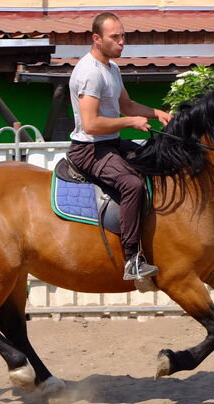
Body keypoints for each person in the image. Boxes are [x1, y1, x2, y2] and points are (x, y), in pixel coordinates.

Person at [67, 12, 173, 281]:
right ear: (96, 39)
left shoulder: (111, 68)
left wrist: (155, 113)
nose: (122, 42)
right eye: (115, 37)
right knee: (132, 184)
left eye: (123, 36)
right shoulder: (90, 73)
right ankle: (132, 259)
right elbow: (90, 124)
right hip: (90, 150)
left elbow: (126, 105)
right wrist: (130, 122)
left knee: (155, 158)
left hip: (110, 143)